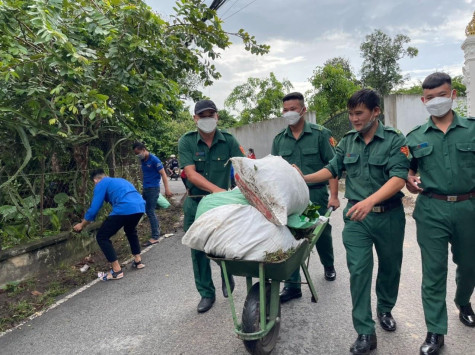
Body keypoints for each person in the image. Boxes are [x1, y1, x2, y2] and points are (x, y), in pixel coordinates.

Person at [298, 89, 410, 354]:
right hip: (357, 220)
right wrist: (302, 178)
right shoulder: (348, 142)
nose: (354, 119)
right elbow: (332, 169)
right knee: (359, 271)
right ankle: (364, 331)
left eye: (359, 113)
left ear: (375, 112)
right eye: (350, 114)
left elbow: (399, 177)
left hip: (390, 216)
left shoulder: (395, 140)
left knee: (390, 267)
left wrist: (371, 201)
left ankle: (385, 308)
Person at [405, 72, 475, 355]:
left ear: (454, 94)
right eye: (430, 98)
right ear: (424, 100)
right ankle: (435, 330)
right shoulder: (415, 137)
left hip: (468, 207)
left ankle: (463, 301)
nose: (436, 101)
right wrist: (409, 181)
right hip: (431, 208)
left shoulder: (472, 130)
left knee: (470, 265)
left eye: (442, 95)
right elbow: (407, 173)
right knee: (433, 273)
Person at [271, 92, 340, 304]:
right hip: (290, 196)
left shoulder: (320, 134)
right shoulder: (279, 139)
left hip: (316, 192)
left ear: (303, 110)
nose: (289, 113)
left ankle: (328, 265)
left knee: (320, 232)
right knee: (290, 235)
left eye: (293, 109)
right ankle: (293, 286)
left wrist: (334, 196)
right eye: (285, 110)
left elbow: (334, 166)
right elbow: (275, 170)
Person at [178, 99, 245, 313]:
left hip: (221, 205)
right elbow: (190, 173)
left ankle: (227, 275)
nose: (207, 119)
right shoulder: (187, 141)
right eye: (202, 115)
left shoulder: (229, 141)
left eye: (211, 114)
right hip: (196, 202)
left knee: (220, 245)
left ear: (217, 116)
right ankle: (207, 294)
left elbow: (243, 167)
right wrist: (217, 191)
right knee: (198, 249)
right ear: (195, 119)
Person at [73, 169, 146, 280]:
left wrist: (82, 224)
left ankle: (117, 271)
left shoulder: (101, 183)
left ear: (95, 180)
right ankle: (138, 261)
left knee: (102, 236)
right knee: (130, 230)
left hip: (124, 208)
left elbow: (94, 208)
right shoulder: (119, 180)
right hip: (140, 207)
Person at [132, 142, 172, 247]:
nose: (138, 155)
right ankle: (156, 229)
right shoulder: (142, 160)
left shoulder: (154, 160)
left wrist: (167, 189)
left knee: (150, 211)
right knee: (146, 209)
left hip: (153, 188)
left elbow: (163, 174)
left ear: (144, 149)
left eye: (139, 153)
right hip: (146, 188)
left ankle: (155, 236)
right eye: (136, 154)